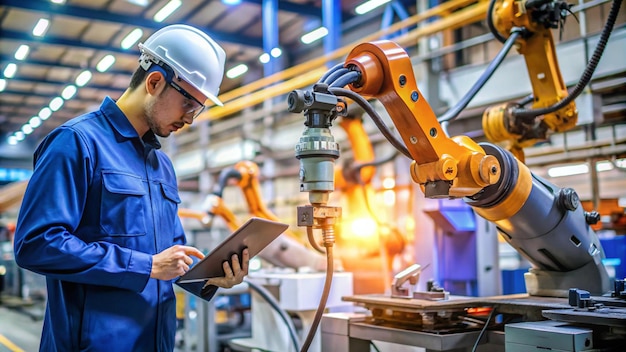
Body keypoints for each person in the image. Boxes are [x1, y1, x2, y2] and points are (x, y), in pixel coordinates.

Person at [13, 24, 250, 352]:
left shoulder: (161, 165)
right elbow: (36, 243)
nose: (191, 119)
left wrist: (211, 276)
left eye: (199, 109)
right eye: (189, 105)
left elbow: (174, 256)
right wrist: (146, 266)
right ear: (154, 82)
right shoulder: (77, 143)